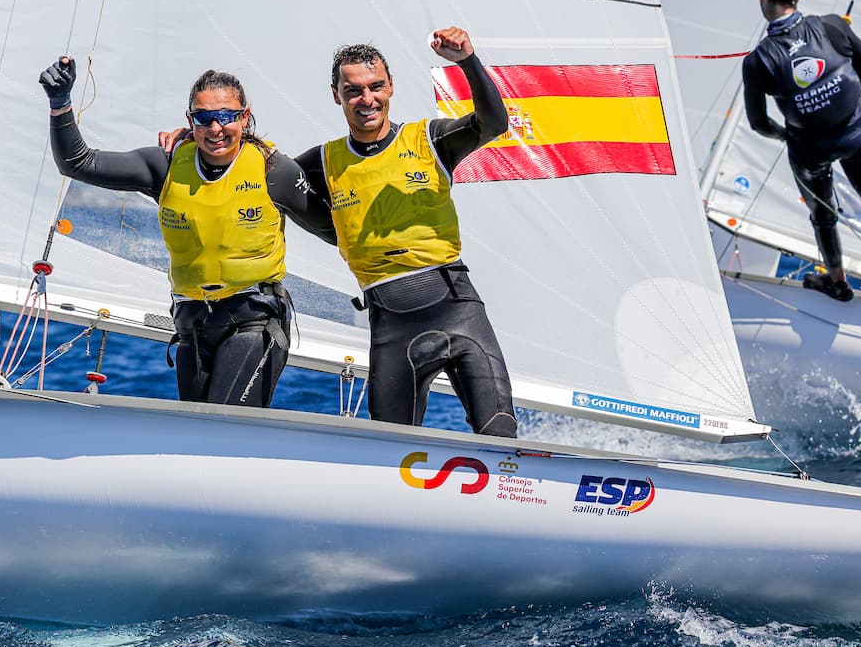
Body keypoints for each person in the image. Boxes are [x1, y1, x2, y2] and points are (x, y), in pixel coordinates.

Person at [39, 56, 335, 407]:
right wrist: (60, 104)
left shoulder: (273, 170)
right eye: (204, 118)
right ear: (190, 120)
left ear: (244, 116)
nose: (215, 129)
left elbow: (334, 231)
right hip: (192, 326)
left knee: (222, 428)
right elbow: (78, 163)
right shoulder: (165, 165)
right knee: (198, 433)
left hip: (254, 320)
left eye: (226, 116)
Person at [292, 27, 518, 434]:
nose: (367, 100)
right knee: (390, 448)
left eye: (376, 87)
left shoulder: (430, 140)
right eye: (354, 90)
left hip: (457, 310)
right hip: (391, 325)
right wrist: (193, 141)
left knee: (499, 430)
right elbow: (253, 178)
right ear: (336, 94)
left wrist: (467, 60)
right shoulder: (321, 162)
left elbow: (495, 122)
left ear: (391, 86)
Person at [742, 0, 861, 302]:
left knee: (823, 216)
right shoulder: (833, 26)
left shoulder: (757, 62)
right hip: (857, 132)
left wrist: (784, 135)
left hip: (811, 150)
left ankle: (837, 283)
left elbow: (758, 122)